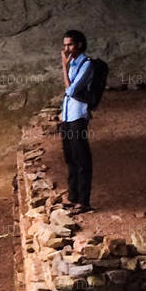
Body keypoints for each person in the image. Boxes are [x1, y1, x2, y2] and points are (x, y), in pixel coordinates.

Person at [60, 29, 94, 213]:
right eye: (65, 45)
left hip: (78, 116)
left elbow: (71, 91)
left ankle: (84, 201)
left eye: (70, 44)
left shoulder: (86, 64)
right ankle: (73, 197)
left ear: (79, 44)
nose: (67, 49)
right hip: (67, 115)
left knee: (81, 158)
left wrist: (64, 67)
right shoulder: (73, 63)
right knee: (69, 156)